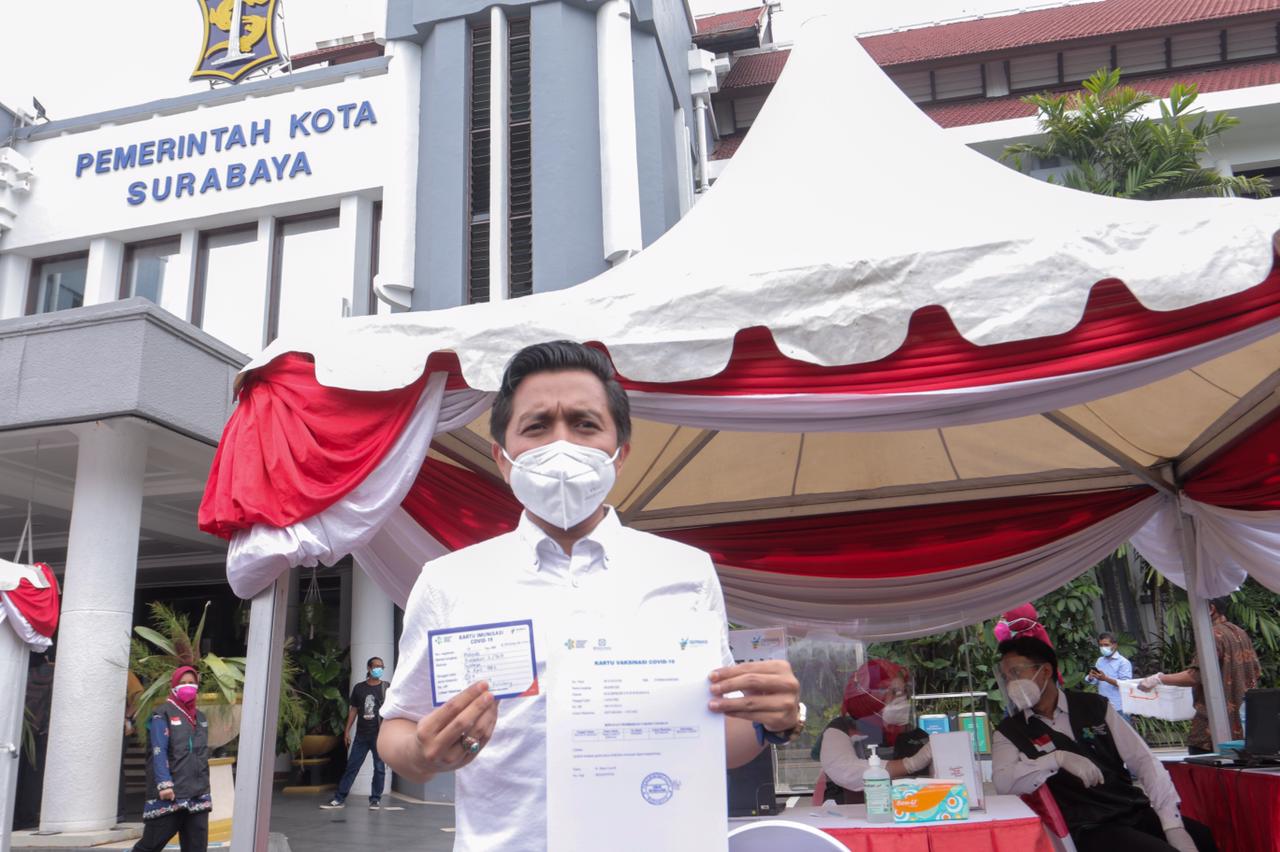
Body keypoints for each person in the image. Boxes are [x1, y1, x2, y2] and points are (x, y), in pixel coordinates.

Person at [377, 341, 803, 851]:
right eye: (536, 426)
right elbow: (397, 725)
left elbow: (717, 742)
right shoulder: (450, 580)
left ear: (619, 453)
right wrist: (422, 755)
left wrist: (774, 722)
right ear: (503, 458)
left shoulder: (685, 571)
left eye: (584, 424)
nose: (561, 444)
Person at [992, 636, 1215, 852]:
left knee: (1201, 837)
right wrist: (1055, 759)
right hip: (1087, 825)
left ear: (1046, 671)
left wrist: (1171, 823)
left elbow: (1144, 761)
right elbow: (1003, 782)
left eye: (1016, 673)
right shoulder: (1010, 731)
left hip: (1129, 808)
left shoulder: (1095, 707)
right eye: (1006, 677)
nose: (1011, 683)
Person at [1138, 596, 1261, 754]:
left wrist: (1158, 679)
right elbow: (1256, 672)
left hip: (1212, 723)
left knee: (1203, 763)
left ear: (1210, 609)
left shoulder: (1212, 636)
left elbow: (1195, 676)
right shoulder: (1240, 632)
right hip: (1243, 720)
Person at [816, 659, 932, 804]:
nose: (900, 699)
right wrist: (911, 764)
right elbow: (845, 771)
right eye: (892, 691)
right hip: (847, 816)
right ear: (867, 695)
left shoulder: (916, 736)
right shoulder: (842, 728)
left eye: (903, 693)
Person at [132, 666, 210, 852]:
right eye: (182, 683)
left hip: (198, 794)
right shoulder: (162, 714)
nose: (187, 686)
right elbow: (159, 750)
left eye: (191, 682)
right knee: (150, 845)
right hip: (171, 793)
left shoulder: (201, 718)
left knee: (197, 847)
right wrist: (164, 784)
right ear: (173, 686)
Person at [321, 656, 389, 810]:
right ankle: (339, 799)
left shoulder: (386, 687)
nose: (379, 669)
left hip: (379, 736)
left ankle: (375, 799)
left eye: (381, 667)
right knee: (352, 766)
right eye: (376, 666)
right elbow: (353, 710)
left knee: (379, 768)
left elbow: (391, 710)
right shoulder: (359, 688)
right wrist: (346, 731)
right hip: (361, 735)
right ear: (369, 668)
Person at [1086, 632, 1132, 720]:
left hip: (1119, 707)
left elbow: (1125, 685)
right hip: (1103, 705)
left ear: (1114, 645)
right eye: (1101, 645)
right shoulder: (1100, 660)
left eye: (1106, 645)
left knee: (1122, 733)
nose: (1103, 648)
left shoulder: (1123, 662)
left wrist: (1105, 679)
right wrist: (1091, 677)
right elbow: (1096, 680)